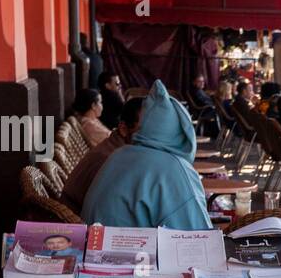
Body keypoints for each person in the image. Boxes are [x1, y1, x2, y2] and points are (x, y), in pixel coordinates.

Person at [81, 80, 212, 230]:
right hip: (129, 252)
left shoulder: (119, 154)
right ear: (183, 133)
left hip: (91, 248)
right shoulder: (172, 169)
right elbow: (198, 238)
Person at [62, 97, 142, 212]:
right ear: (123, 129)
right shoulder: (112, 161)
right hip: (77, 223)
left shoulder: (116, 149)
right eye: (144, 131)